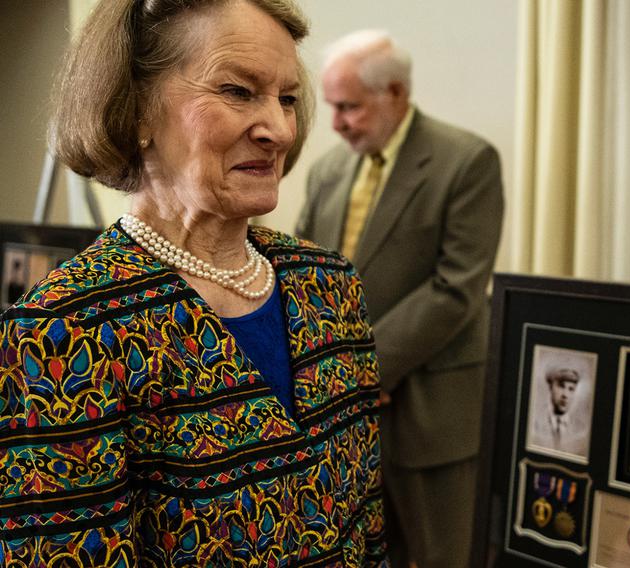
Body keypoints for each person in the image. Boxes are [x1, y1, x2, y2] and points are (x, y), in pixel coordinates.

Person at [0, 1, 386, 565]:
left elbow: (367, 520)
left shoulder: (329, 286)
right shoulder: (63, 332)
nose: (278, 130)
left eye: (287, 99)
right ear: (136, 112)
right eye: (237, 91)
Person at [295, 30, 504, 568]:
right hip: (342, 417)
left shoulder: (467, 162)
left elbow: (456, 287)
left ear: (395, 93)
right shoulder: (328, 172)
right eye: (333, 106)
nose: (336, 123)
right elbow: (304, 278)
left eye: (350, 107)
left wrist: (364, 367)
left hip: (429, 412)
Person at [531, 367, 589, 456]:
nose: (565, 395)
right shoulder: (534, 423)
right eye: (561, 386)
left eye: (571, 389)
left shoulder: (582, 429)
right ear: (551, 387)